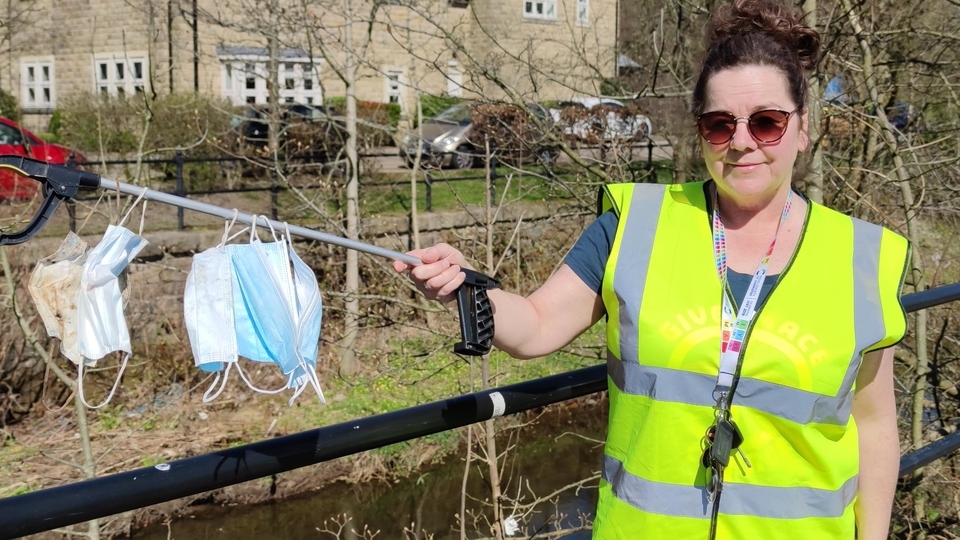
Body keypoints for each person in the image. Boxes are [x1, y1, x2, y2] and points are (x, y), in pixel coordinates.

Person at [393, 0, 908, 537]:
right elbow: (538, 324)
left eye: (767, 123)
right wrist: (466, 286)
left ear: (802, 129)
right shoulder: (635, 225)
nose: (741, 142)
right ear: (699, 131)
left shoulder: (864, 256)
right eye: (718, 125)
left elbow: (872, 426)